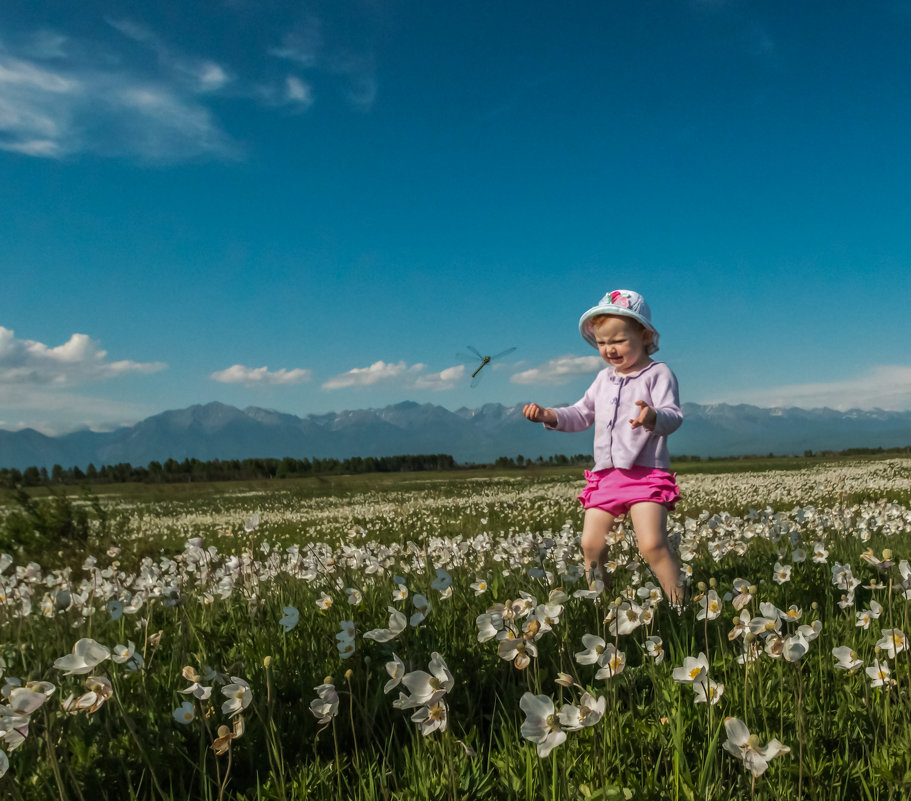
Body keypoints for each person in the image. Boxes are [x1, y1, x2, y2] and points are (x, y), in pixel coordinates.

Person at [523, 289, 685, 607]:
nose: (609, 349)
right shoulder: (603, 380)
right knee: (591, 545)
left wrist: (652, 417)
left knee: (652, 544)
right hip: (606, 478)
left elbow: (674, 417)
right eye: (601, 342)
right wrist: (550, 415)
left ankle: (680, 607)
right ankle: (603, 609)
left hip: (646, 475)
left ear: (645, 334)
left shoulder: (659, 374)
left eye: (619, 340)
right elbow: (581, 414)